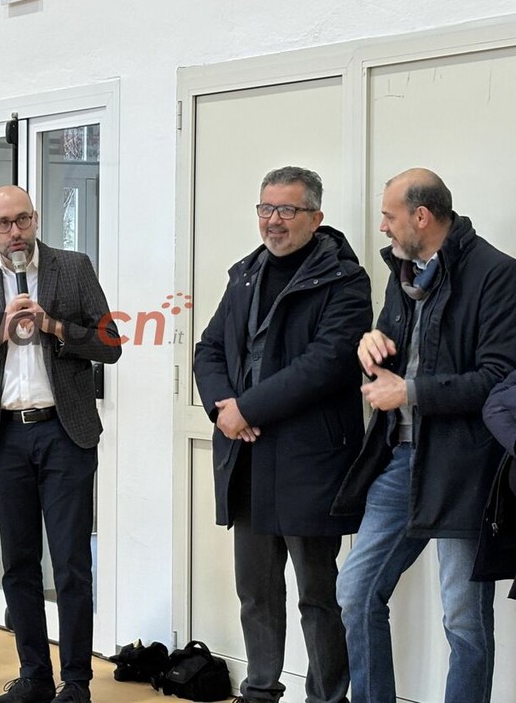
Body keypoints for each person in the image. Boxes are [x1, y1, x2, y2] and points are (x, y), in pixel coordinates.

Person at [333, 168, 516, 703]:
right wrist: (370, 346)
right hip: (399, 459)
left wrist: (409, 391)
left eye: (389, 216)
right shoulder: (403, 271)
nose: (382, 227)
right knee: (356, 591)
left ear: (421, 216)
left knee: (464, 620)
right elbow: (396, 358)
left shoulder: (498, 274)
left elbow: (497, 379)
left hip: (465, 470)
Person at [193, 167, 372, 703]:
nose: (274, 221)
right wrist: (224, 409)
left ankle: (327, 697)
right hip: (246, 458)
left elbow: (326, 364)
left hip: (309, 463)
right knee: (255, 592)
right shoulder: (245, 274)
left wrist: (246, 408)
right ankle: (259, 691)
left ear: (316, 218)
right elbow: (209, 349)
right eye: (266, 209)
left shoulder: (345, 281)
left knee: (318, 596)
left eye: (287, 210)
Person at [0, 185, 121, 703]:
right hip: (6, 438)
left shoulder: (73, 267)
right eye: (3, 223)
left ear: (36, 219)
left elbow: (110, 344)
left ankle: (77, 682)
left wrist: (53, 326)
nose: (14, 232)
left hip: (64, 432)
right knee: (18, 565)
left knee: (70, 564)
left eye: (22, 219)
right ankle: (34, 678)